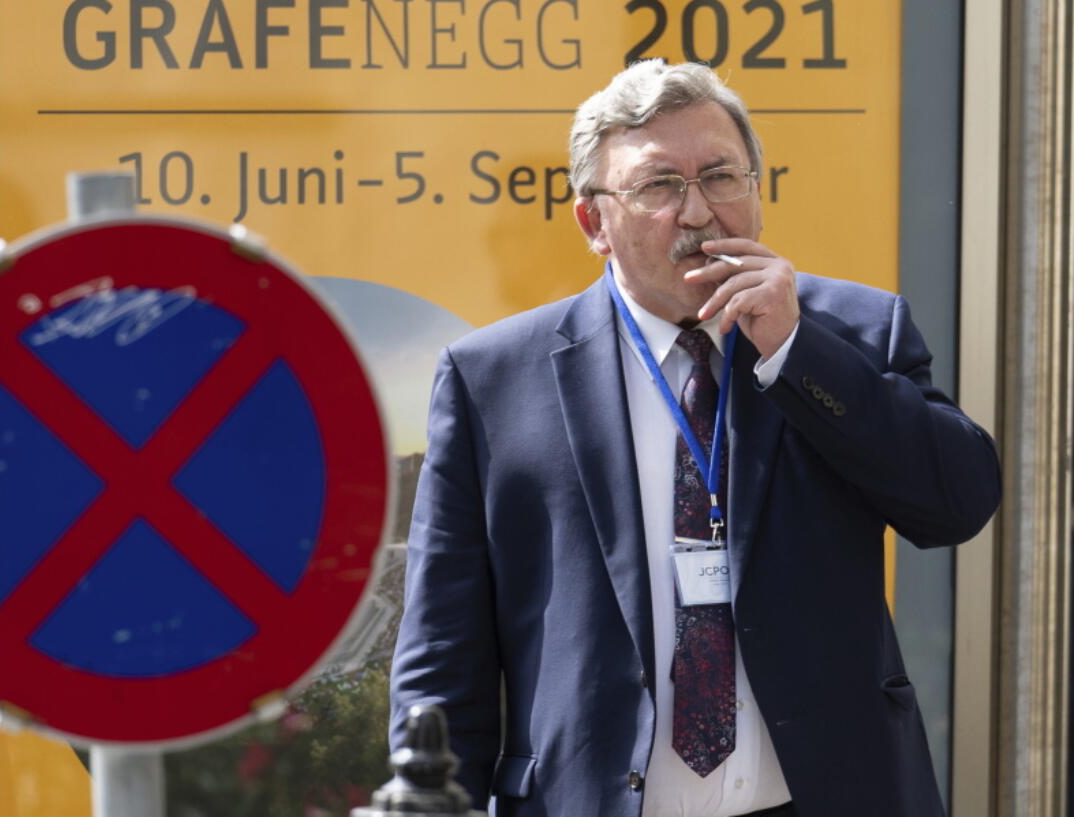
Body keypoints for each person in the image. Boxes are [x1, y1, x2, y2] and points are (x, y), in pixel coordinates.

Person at [388, 59, 1000, 817]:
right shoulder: (492, 379)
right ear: (594, 222)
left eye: (720, 176)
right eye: (658, 187)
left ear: (758, 192)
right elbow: (443, 651)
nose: (699, 212)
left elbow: (958, 502)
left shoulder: (854, 334)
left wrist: (795, 350)